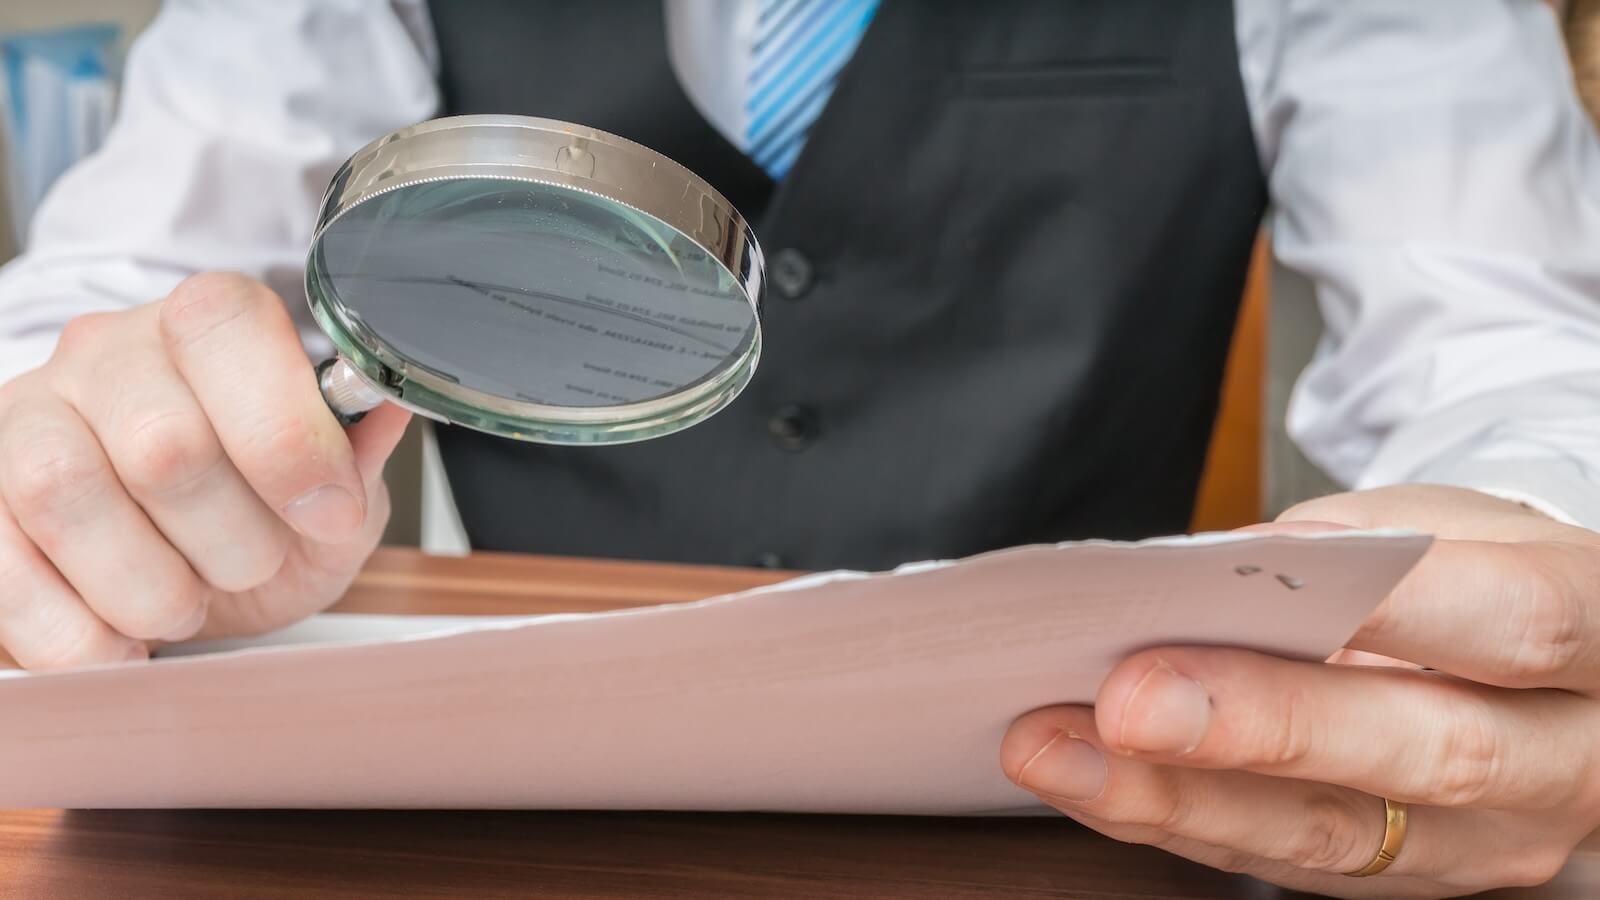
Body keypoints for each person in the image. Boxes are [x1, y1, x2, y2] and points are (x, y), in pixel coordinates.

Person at [1, 1, 1599, 895]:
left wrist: (1530, 558)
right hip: (503, 846)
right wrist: (96, 463)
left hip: (1095, 820)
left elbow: (1515, 347)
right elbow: (100, 305)